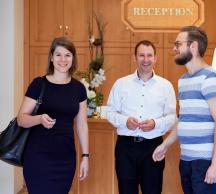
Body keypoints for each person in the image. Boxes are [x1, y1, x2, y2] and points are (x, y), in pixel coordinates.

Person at [152, 26, 216, 194]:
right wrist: (165, 145)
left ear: (193, 46)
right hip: (185, 160)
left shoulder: (210, 77)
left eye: (178, 44)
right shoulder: (183, 80)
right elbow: (183, 120)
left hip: (205, 161)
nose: (174, 49)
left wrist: (215, 164)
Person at [17, 37, 89, 194]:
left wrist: (85, 156)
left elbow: (82, 124)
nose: (63, 60)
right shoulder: (38, 84)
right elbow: (21, 119)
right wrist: (39, 118)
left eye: (67, 55)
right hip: (38, 156)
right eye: (58, 55)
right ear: (51, 57)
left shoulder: (78, 88)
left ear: (73, 58)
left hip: (65, 156)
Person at [106, 40, 177, 194]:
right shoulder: (121, 84)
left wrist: (155, 123)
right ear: (134, 58)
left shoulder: (166, 86)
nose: (146, 59)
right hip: (126, 148)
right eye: (141, 55)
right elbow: (109, 112)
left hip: (153, 148)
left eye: (149, 55)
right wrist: (125, 121)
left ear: (155, 58)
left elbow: (172, 118)